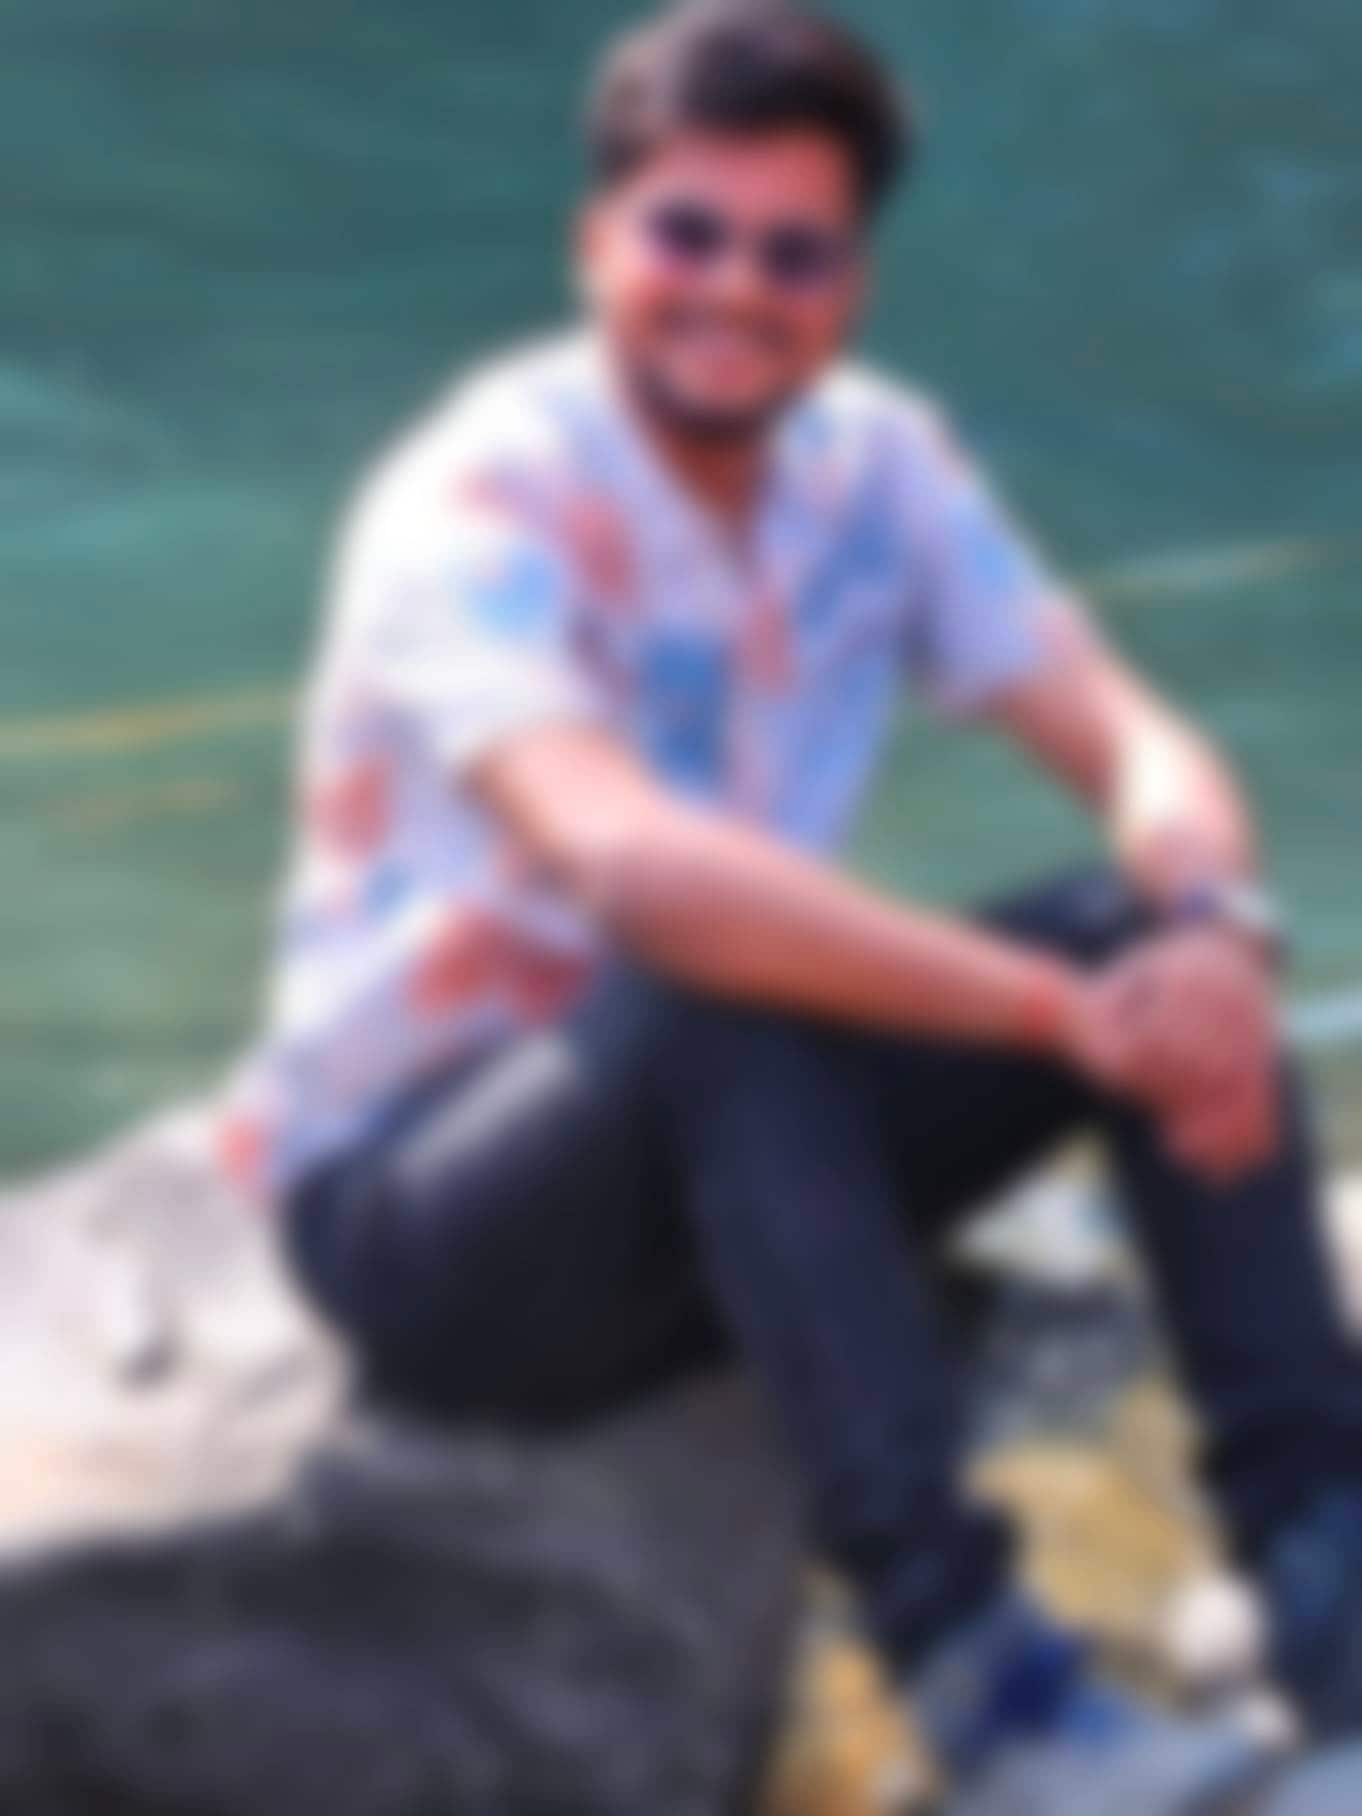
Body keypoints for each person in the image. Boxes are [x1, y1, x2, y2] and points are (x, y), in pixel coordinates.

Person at [223, 3, 1362, 1808]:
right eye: (685, 232)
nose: (734, 289)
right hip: (437, 1227)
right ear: (594, 242)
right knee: (717, 976)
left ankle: (1327, 1590)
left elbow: (1130, 735)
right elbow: (639, 875)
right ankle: (992, 1700)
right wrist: (1057, 1019)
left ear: (851, 285)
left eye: (793, 251)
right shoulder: (479, 498)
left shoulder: (876, 465)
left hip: (737, 1158)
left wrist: (1213, 941)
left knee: (1144, 931)